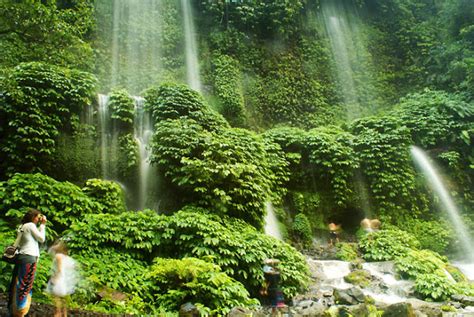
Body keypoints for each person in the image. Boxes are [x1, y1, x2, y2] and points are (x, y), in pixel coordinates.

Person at [8, 208, 47, 317]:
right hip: (29, 258)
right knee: (25, 285)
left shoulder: (23, 226)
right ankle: (20, 311)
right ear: (33, 217)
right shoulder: (30, 226)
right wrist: (43, 225)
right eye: (37, 217)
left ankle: (14, 309)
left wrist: (39, 225)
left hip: (22, 257)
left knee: (18, 283)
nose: (39, 219)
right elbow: (41, 239)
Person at [46, 240, 78, 317]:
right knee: (62, 299)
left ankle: (58, 314)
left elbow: (59, 269)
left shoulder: (58, 256)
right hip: (64, 280)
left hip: (59, 279)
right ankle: (64, 314)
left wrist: (55, 277)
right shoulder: (66, 257)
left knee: (56, 298)